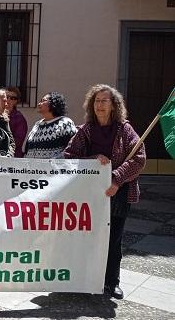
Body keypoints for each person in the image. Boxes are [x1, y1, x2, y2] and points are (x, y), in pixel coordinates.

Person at [63, 84, 146, 300]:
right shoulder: (85, 130)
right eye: (96, 101)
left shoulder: (124, 129)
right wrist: (93, 159)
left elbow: (139, 159)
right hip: (89, 195)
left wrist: (116, 179)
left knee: (113, 239)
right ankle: (87, 278)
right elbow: (69, 157)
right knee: (88, 238)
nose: (100, 105)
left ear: (113, 105)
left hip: (117, 193)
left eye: (104, 101)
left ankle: (112, 282)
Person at [23, 92, 77, 159]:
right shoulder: (37, 124)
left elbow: (73, 148)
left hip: (53, 168)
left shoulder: (65, 123)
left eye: (43, 101)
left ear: (54, 103)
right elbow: (27, 148)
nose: (39, 104)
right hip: (32, 168)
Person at [5, 87, 28, 158]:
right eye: (7, 97)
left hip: (13, 158)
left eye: (12, 98)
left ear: (16, 101)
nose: (8, 99)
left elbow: (17, 142)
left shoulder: (19, 118)